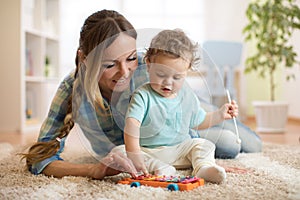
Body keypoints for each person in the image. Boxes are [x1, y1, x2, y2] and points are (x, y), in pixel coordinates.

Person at [21, 9, 261, 180]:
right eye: (109, 65)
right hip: (142, 151)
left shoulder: (152, 67)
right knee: (226, 145)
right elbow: (40, 159)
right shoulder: (71, 90)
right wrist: (93, 170)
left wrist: (199, 161)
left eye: (131, 58)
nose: (124, 72)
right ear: (85, 59)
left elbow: (181, 118)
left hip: (183, 110)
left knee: (236, 144)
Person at [119, 29, 239, 183]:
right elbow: (132, 124)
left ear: (187, 71)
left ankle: (203, 168)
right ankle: (159, 167)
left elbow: (198, 121)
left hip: (180, 150)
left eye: (177, 77)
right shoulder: (142, 95)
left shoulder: (187, 96)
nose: (168, 82)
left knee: (204, 145)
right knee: (120, 152)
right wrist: (134, 153)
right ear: (148, 64)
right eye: (161, 74)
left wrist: (220, 114)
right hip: (149, 151)